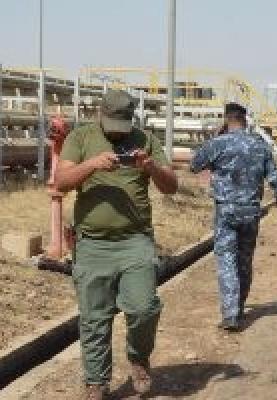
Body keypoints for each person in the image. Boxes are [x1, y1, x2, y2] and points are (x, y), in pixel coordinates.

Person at [55, 89, 178, 399]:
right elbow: (61, 182)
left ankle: (138, 358)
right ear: (100, 114)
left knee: (144, 308)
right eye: (112, 126)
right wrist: (92, 165)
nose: (117, 133)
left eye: (123, 127)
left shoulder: (145, 140)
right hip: (92, 245)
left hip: (135, 241)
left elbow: (171, 186)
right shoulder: (81, 138)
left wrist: (150, 167)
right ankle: (96, 382)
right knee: (94, 318)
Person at [191, 102, 277, 332]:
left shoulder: (218, 143)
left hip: (226, 211)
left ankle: (231, 314)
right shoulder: (259, 145)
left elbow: (195, 165)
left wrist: (215, 138)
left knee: (226, 259)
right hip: (251, 212)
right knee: (244, 260)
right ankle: (238, 307)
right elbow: (276, 180)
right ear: (245, 119)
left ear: (226, 119)